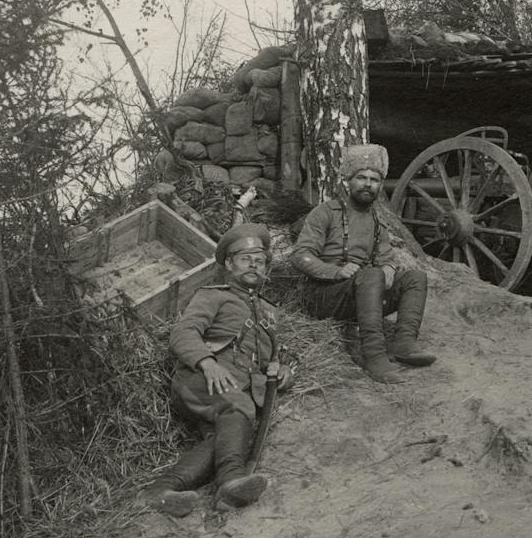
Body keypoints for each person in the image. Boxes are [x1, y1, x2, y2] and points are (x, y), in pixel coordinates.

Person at [146, 223, 283, 516]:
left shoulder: (270, 312)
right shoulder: (213, 296)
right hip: (200, 381)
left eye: (259, 261)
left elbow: (269, 357)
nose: (254, 266)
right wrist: (207, 364)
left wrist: (282, 371)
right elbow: (182, 333)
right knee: (237, 406)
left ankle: (161, 491)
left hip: (231, 395)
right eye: (246, 259)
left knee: (220, 439)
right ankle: (231, 481)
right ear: (230, 265)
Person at [292, 143, 434, 384]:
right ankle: (375, 357)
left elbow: (385, 256)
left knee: (415, 278)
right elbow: (301, 255)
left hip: (359, 293)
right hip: (323, 296)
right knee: (370, 276)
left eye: (374, 180)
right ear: (348, 181)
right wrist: (336, 271)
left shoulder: (376, 221)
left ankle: (404, 343)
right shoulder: (325, 212)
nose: (368, 184)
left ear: (379, 186)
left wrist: (388, 267)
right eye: (361, 178)